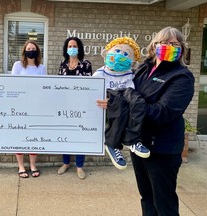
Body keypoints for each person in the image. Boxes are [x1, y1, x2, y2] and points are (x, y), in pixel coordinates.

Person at [97, 27, 195, 215]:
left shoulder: (182, 77)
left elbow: (163, 112)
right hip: (139, 144)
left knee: (164, 203)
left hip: (162, 149)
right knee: (147, 198)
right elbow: (123, 91)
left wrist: (124, 101)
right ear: (154, 45)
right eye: (163, 42)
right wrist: (110, 101)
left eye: (174, 44)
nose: (167, 46)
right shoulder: (144, 68)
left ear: (181, 48)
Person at [93, 37, 150, 170]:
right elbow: (93, 92)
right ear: (107, 53)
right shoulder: (100, 73)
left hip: (126, 93)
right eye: (117, 51)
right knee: (118, 104)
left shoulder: (130, 73)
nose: (120, 56)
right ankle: (112, 144)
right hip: (110, 98)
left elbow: (132, 90)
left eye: (125, 54)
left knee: (139, 103)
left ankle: (132, 140)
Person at [57, 37, 92, 179]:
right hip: (65, 106)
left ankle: (79, 166)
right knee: (66, 134)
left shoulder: (86, 64)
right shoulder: (63, 64)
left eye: (74, 45)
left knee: (79, 135)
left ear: (79, 48)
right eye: (69, 45)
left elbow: (90, 86)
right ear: (66, 49)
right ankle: (66, 163)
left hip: (81, 106)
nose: (72, 48)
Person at [11, 39, 47, 178]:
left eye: (33, 49)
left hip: (36, 106)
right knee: (19, 135)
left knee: (34, 136)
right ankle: (21, 166)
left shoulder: (41, 68)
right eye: (28, 49)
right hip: (20, 106)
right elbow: (13, 85)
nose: (30, 51)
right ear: (24, 51)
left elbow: (44, 87)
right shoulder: (18, 66)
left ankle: (32, 165)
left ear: (37, 51)